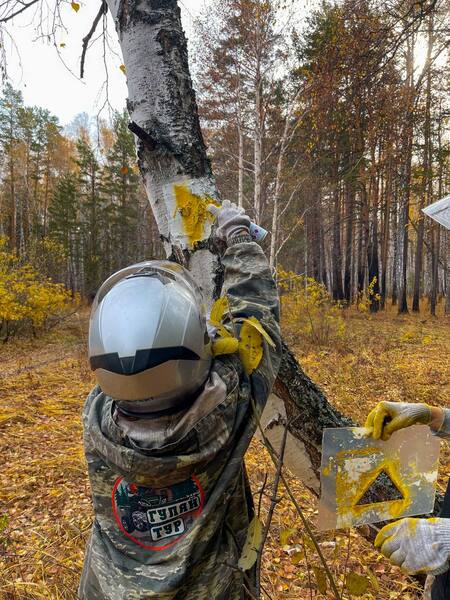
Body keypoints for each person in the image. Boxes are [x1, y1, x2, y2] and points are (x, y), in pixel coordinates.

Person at [78, 200, 282, 600]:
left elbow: (132, 353)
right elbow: (257, 312)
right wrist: (239, 235)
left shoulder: (95, 417)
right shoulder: (228, 410)